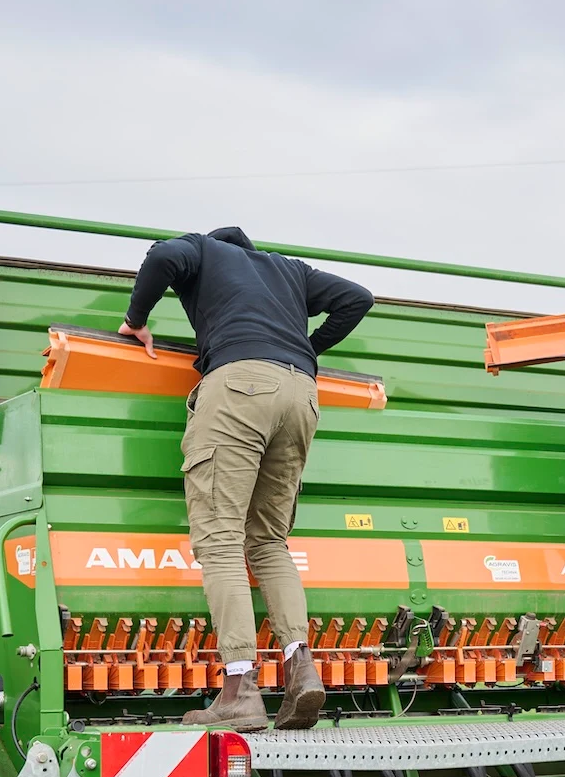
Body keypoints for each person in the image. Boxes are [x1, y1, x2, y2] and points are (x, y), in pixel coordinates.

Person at [118, 227, 374, 731]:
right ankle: (302, 669)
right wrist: (308, 347)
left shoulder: (204, 250)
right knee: (269, 543)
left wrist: (136, 320)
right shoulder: (288, 269)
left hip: (239, 385)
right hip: (302, 393)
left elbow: (165, 255)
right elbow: (357, 298)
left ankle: (239, 689)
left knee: (219, 542)